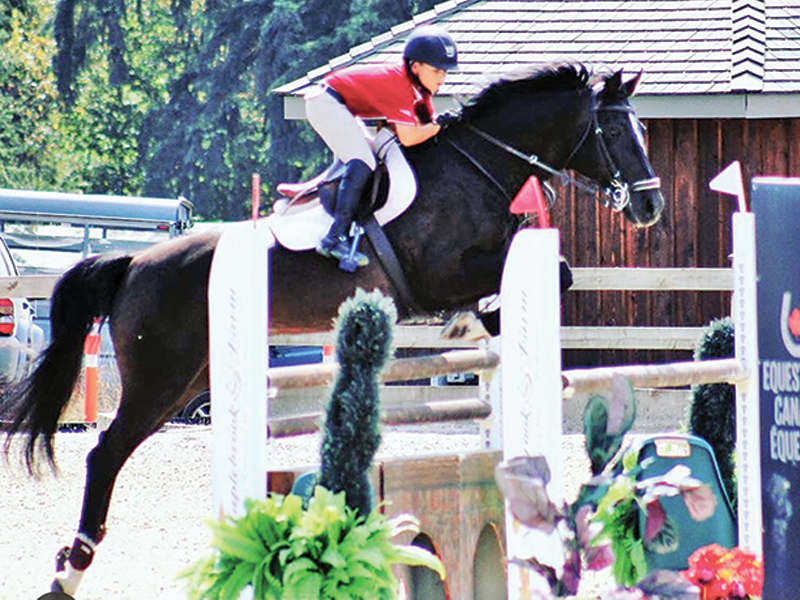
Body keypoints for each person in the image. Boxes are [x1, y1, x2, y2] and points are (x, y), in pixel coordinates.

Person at [304, 25, 459, 270]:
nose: (442, 78)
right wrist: (439, 126)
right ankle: (335, 237)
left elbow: (426, 127)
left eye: (445, 72)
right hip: (325, 102)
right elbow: (409, 138)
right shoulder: (400, 86)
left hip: (342, 106)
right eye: (436, 70)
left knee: (373, 157)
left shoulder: (419, 90)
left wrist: (440, 126)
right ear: (415, 67)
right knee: (364, 161)